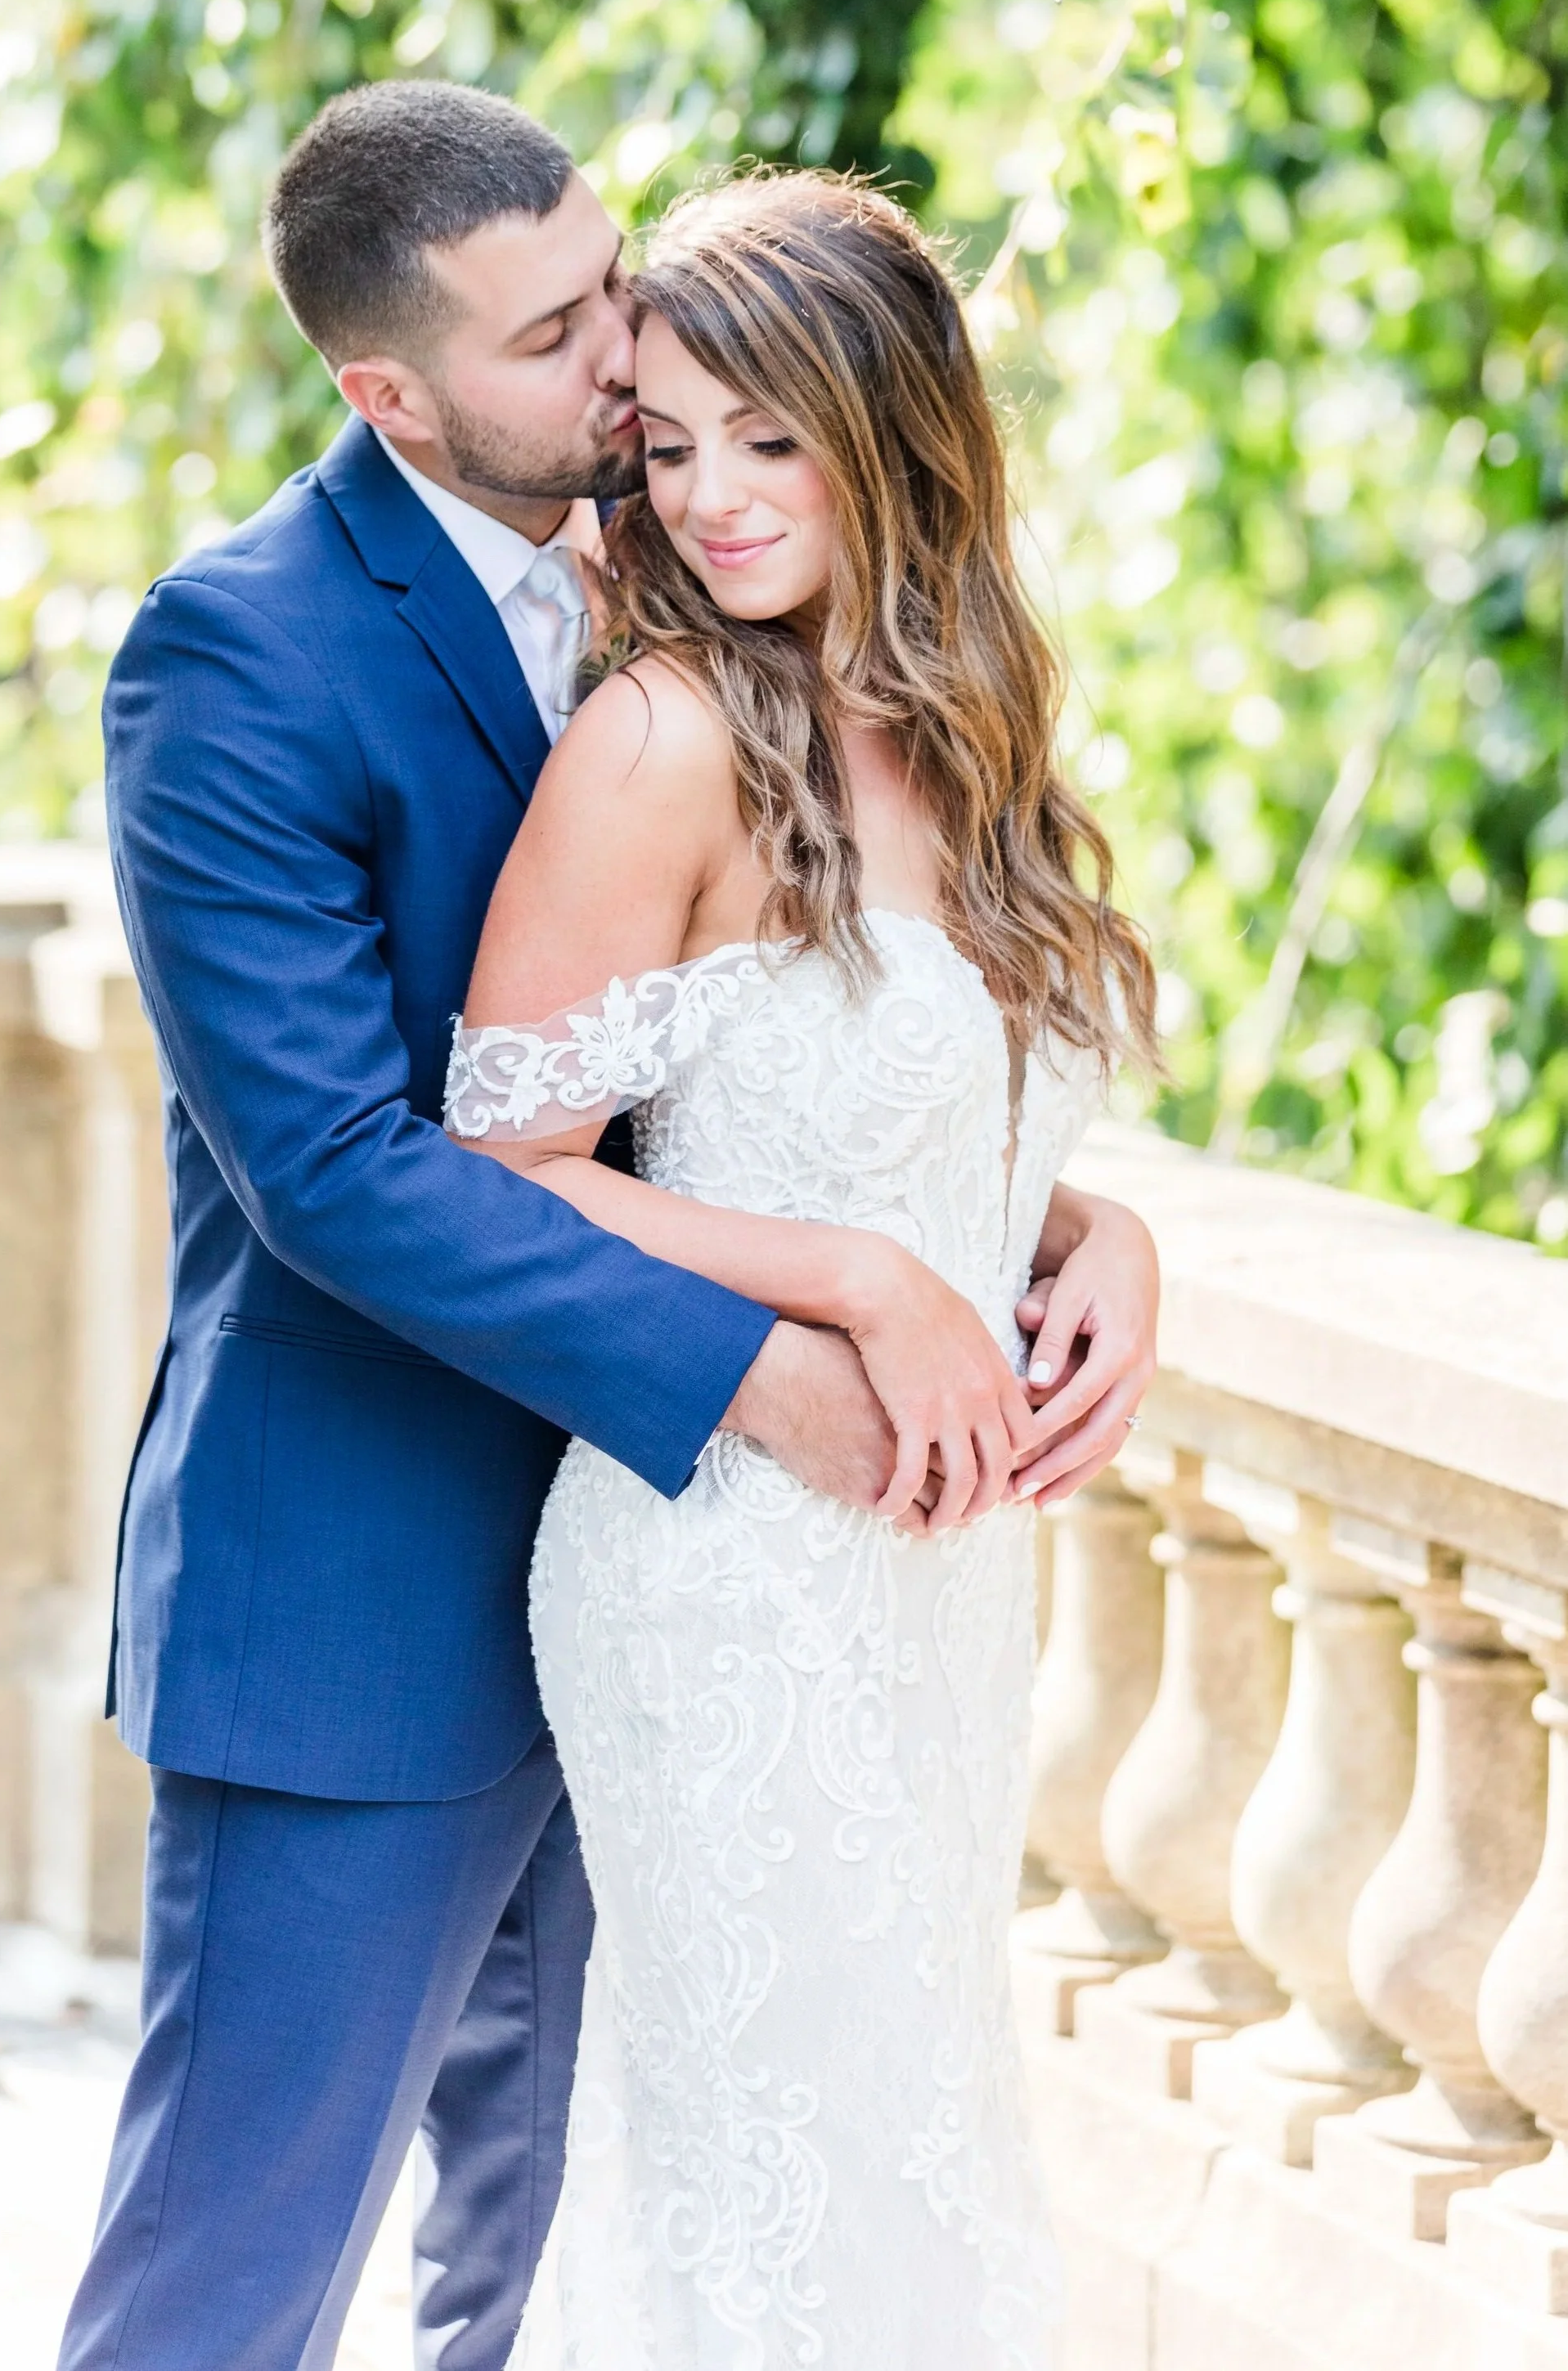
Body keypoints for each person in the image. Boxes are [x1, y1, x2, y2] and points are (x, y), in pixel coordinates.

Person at [57, 82, 1157, 2371]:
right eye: (561, 338)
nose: (627, 355)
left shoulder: (718, 595)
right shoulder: (237, 653)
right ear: (393, 390)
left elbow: (811, 1058)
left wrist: (1077, 1238)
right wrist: (805, 1332)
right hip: (371, 1597)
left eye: (613, 277)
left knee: (577, 2269)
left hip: (759, 1602)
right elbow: (354, 1165)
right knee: (229, 2286)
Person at [444, 168, 1161, 2370]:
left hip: (937, 1584)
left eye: (772, 437)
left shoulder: (977, 736)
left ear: (896, 424)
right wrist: (849, 1272)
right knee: (772, 2170)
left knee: (919, 2137)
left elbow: (941, 1105)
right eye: (672, 444)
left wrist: (1097, 1232)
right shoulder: (661, 740)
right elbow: (498, 1162)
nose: (716, 496)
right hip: (726, 1561)